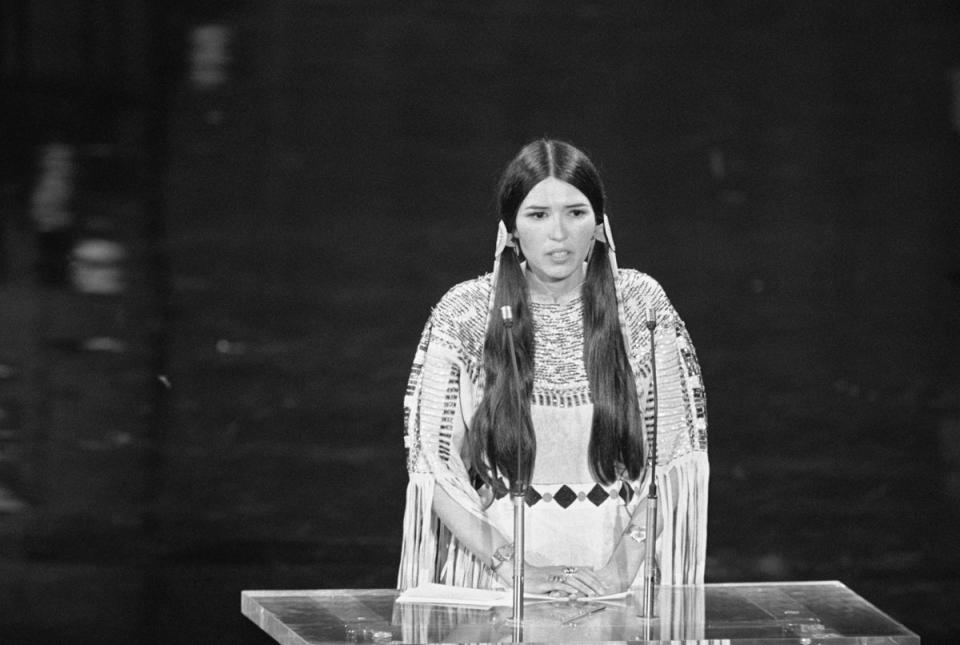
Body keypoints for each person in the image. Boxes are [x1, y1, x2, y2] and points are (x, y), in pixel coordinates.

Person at [397, 139, 708, 598]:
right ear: (511, 228)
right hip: (496, 584)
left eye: (576, 213)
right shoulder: (463, 313)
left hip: (617, 582)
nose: (558, 234)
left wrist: (618, 573)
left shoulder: (642, 307)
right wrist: (512, 568)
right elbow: (431, 462)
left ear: (600, 225)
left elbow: (676, 456)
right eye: (538, 214)